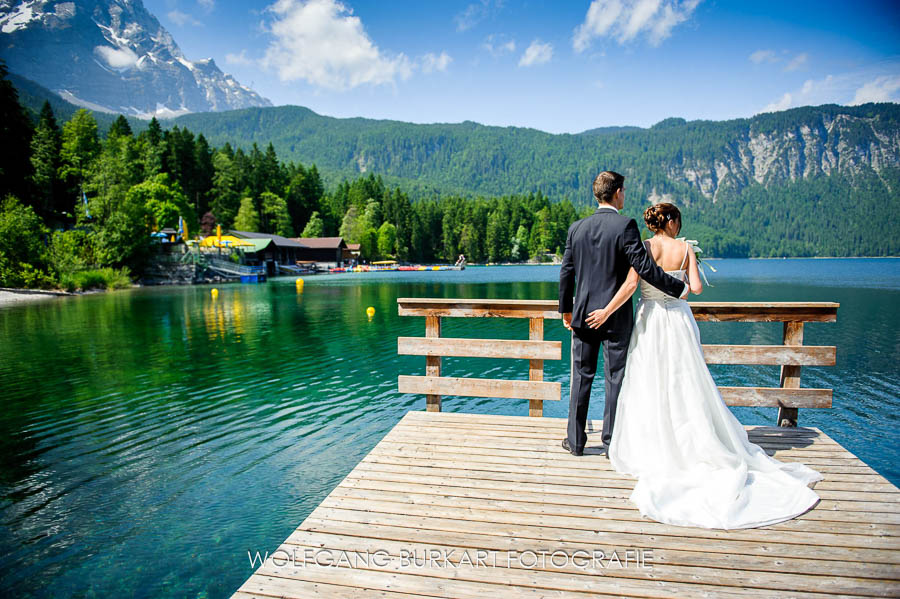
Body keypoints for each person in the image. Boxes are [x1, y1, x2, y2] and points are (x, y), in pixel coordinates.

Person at [597, 202, 822, 529]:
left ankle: (653, 444)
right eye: (678, 221)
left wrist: (606, 310)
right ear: (672, 221)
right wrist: (686, 269)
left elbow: (632, 285)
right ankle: (693, 440)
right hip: (677, 320)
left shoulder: (644, 247)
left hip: (649, 320)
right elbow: (695, 289)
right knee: (686, 381)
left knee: (648, 381)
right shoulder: (685, 248)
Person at [558, 171, 688, 457]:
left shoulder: (576, 228)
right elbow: (646, 269)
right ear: (617, 193)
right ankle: (610, 444)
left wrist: (566, 309)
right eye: (624, 191)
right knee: (615, 378)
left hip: (582, 315)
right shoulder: (625, 225)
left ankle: (576, 442)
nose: (625, 195)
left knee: (581, 377)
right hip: (615, 317)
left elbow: (567, 271)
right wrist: (678, 287)